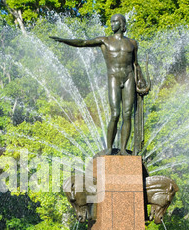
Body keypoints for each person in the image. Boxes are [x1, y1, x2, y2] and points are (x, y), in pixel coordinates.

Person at [51, 14, 149, 155]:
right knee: (115, 114)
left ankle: (122, 149)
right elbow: (83, 43)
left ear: (122, 24)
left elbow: (135, 64)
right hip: (114, 77)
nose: (112, 24)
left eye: (115, 22)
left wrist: (141, 80)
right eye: (111, 22)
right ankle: (109, 148)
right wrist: (64, 40)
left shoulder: (132, 43)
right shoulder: (105, 41)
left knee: (127, 115)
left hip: (129, 78)